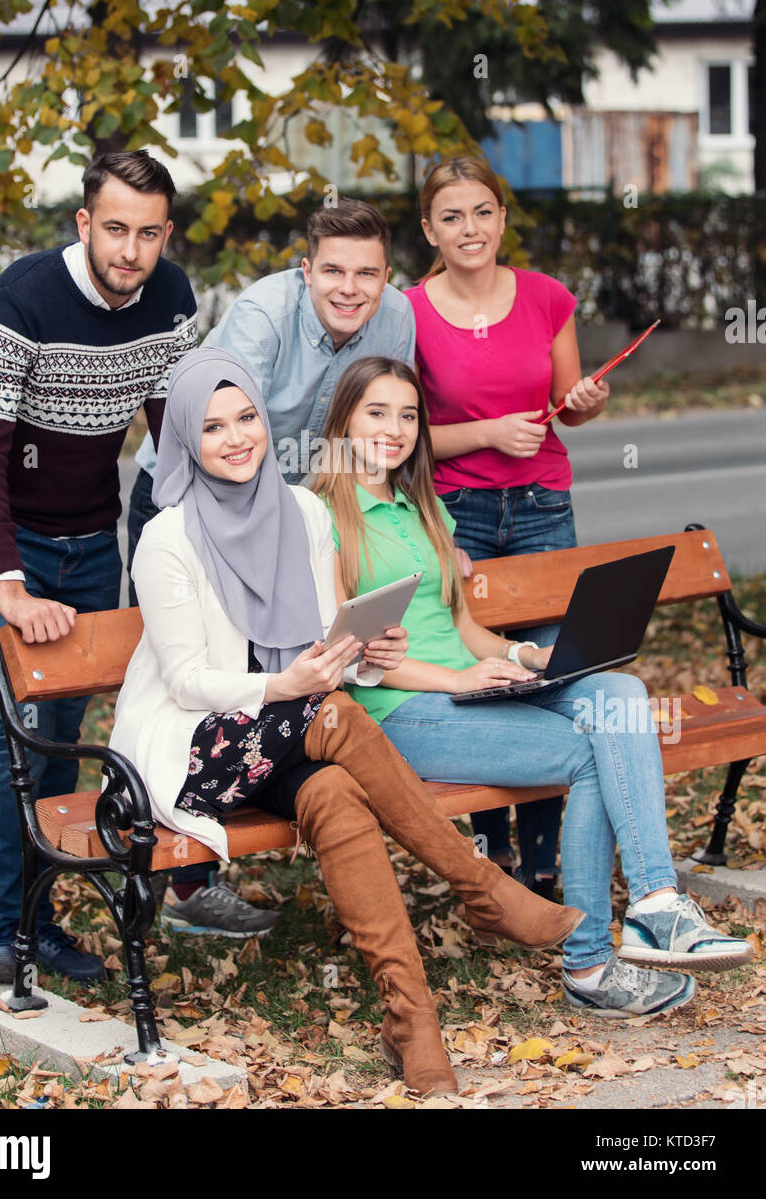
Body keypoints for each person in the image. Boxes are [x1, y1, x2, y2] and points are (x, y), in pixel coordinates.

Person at [109, 347, 582, 1094]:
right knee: (328, 714)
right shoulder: (169, 538)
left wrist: (367, 653)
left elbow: (333, 644)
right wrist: (289, 681)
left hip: (291, 730)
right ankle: (481, 888)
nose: (236, 439)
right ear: (184, 445)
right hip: (198, 747)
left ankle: (410, 1019)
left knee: (333, 791)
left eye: (246, 419)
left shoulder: (300, 511)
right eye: (211, 428)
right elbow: (187, 680)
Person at [314, 356, 753, 1017]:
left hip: (467, 686)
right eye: (376, 412)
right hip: (399, 713)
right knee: (588, 751)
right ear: (343, 419)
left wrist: (526, 655)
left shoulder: (421, 503)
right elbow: (349, 657)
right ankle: (588, 964)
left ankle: (656, 902)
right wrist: (459, 679)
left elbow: (461, 625)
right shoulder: (321, 517)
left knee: (619, 696)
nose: (394, 428)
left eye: (407, 414)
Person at [0, 150, 198, 987]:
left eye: (148, 233)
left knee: (65, 731)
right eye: (115, 228)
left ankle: (37, 921)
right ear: (84, 223)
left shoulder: (171, 297)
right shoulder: (23, 295)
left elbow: (176, 430)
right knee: (28, 727)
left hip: (88, 525)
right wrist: (8, 584)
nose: (131, 249)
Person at [124, 197, 416, 936]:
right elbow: (219, 420)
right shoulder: (261, 319)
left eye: (368, 274)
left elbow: (375, 422)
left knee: (298, 659)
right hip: (188, 492)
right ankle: (180, 876)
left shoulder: (396, 318)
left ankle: (190, 883)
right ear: (304, 268)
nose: (351, 289)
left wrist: (371, 520)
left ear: (387, 276)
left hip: (281, 501)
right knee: (191, 667)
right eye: (333, 272)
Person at [406, 155, 612, 899]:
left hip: (540, 506)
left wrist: (586, 403)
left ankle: (546, 862)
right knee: (482, 676)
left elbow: (568, 405)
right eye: (452, 216)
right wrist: (487, 431)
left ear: (501, 217)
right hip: (454, 513)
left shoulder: (547, 297)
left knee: (552, 672)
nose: (470, 229)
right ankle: (492, 854)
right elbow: (403, 435)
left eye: (483, 212)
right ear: (428, 227)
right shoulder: (409, 311)